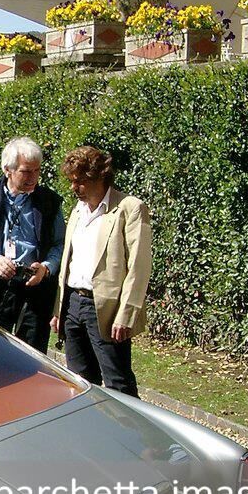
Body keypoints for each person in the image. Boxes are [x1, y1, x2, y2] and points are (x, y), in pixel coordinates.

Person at [50, 146, 152, 397]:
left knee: (118, 384)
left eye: (81, 182)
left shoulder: (130, 208)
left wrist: (125, 315)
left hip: (105, 308)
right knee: (80, 382)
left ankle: (131, 434)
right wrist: (58, 310)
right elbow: (68, 261)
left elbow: (139, 267)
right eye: (72, 181)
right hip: (73, 304)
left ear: (100, 177)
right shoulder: (77, 210)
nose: (74, 188)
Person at [0, 136, 65, 353]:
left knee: (31, 355)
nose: (33, 177)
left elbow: (60, 244)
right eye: (26, 171)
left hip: (35, 285)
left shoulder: (49, 202)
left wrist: (46, 267)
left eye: (37, 171)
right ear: (8, 169)